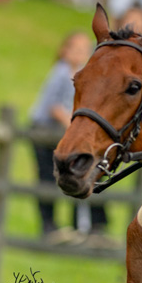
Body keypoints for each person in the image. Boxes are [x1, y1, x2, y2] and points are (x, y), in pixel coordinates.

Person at [29, 31, 110, 245]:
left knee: (76, 171)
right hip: (44, 130)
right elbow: (53, 107)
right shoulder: (61, 72)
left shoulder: (81, 74)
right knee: (47, 175)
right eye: (76, 50)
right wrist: (73, 126)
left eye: (85, 50)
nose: (80, 54)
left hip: (60, 132)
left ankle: (81, 226)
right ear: (64, 51)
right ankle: (49, 225)